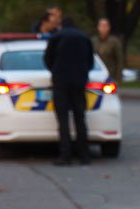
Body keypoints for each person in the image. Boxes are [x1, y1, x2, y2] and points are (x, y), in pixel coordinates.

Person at [44, 16, 94, 165]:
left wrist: (55, 70)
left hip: (61, 81)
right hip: (79, 81)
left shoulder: (56, 37)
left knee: (63, 119)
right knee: (80, 117)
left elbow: (47, 59)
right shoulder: (84, 38)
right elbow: (90, 61)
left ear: (62, 25)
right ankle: (84, 155)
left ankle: (65, 155)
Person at [91, 18, 124, 84]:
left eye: (105, 26)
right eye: (101, 25)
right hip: (94, 76)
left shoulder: (114, 42)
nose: (103, 28)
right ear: (98, 27)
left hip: (110, 76)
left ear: (109, 28)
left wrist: (117, 78)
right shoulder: (93, 41)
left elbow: (119, 60)